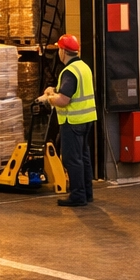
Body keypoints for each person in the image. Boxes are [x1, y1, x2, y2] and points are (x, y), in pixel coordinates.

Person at [41, 33, 96, 206]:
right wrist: (54, 89)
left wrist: (49, 98)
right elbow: (70, 90)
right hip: (86, 120)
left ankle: (78, 196)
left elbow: (64, 100)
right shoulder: (83, 67)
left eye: (59, 49)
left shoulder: (69, 71)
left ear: (63, 51)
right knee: (83, 157)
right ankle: (86, 193)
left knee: (72, 159)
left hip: (72, 122)